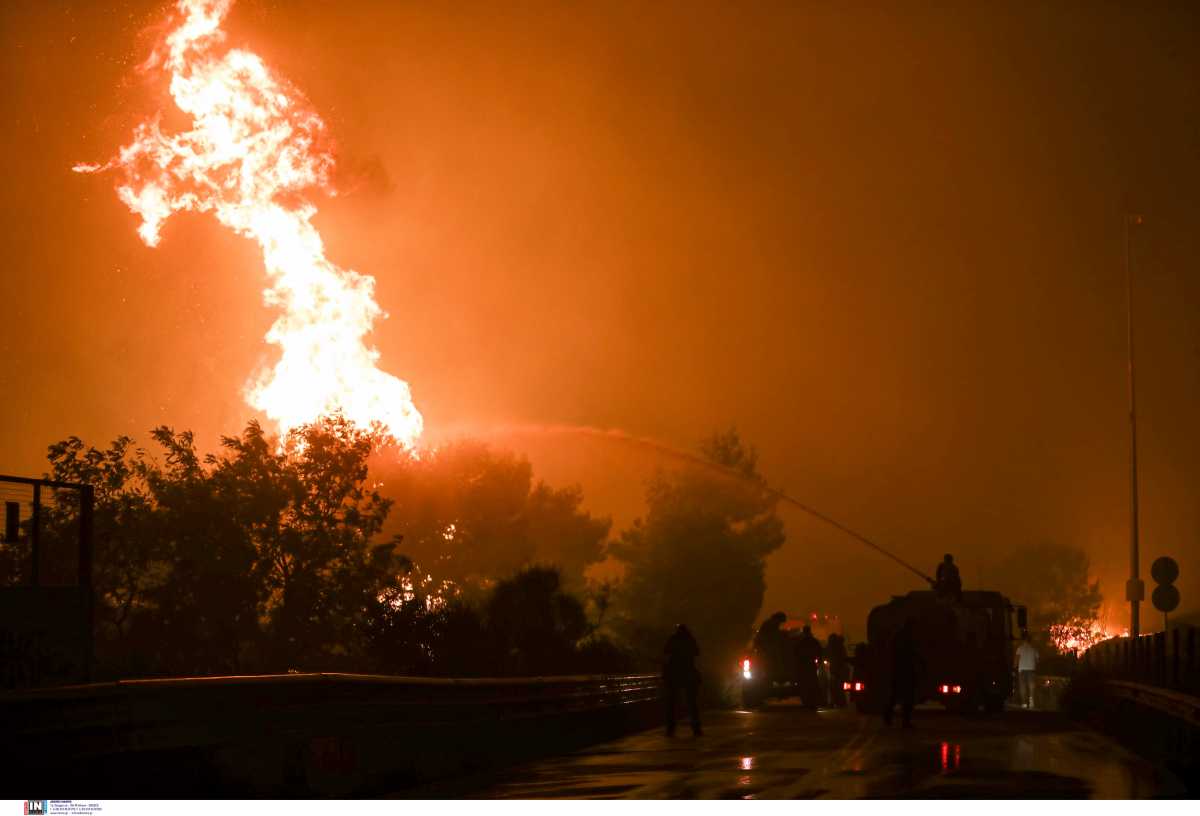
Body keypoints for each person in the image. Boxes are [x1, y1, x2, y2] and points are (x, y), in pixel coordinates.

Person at [663, 624, 702, 736]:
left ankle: (670, 728)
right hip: (688, 673)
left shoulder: (673, 639)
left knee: (672, 702)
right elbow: (697, 652)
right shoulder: (690, 639)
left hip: (675, 673)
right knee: (691, 702)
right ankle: (696, 727)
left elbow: (666, 651)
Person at [884, 618, 921, 728]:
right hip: (905, 671)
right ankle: (903, 720)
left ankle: (889, 716)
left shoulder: (898, 636)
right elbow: (912, 654)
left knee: (895, 696)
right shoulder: (907, 638)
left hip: (898, 671)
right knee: (906, 697)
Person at [793, 624, 822, 708]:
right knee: (812, 683)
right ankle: (812, 700)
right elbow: (819, 652)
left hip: (803, 666)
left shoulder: (800, 641)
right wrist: (819, 662)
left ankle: (807, 700)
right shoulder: (813, 641)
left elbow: (795, 653)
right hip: (810, 665)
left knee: (805, 684)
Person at [1016, 633, 1039, 709]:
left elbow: (1016, 659)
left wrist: (1014, 668)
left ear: (1023, 640)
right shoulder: (1034, 649)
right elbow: (1037, 660)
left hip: (1022, 670)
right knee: (1031, 686)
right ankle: (1031, 700)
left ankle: (1024, 703)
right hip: (1032, 669)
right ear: (1030, 640)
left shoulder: (1019, 648)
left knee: (1023, 687)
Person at [826, 633, 848, 708]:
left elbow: (827, 656)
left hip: (835, 670)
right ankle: (840, 702)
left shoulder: (832, 647)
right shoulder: (840, 647)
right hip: (839, 670)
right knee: (839, 687)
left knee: (834, 687)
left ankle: (835, 702)